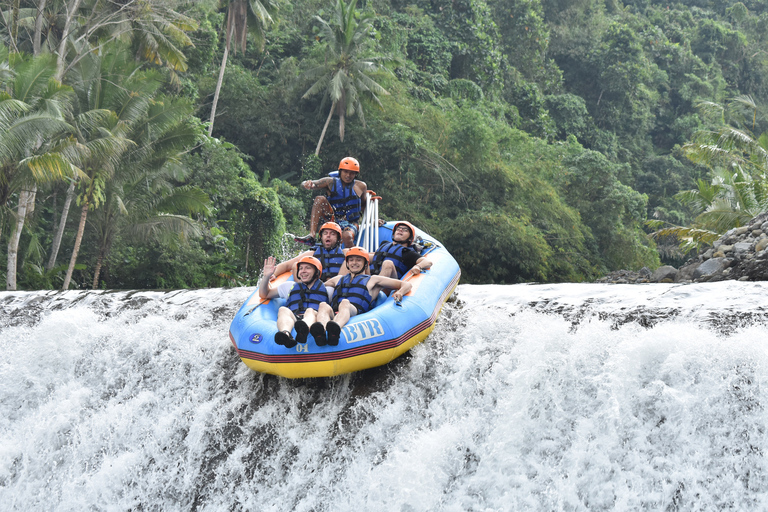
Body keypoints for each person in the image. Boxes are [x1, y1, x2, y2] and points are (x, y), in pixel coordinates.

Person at [310, 247, 412, 346]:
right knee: (323, 305)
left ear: (365, 264)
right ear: (347, 263)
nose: (354, 263)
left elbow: (406, 284)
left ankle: (335, 329)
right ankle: (321, 332)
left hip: (356, 313)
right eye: (351, 260)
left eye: (358, 260)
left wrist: (400, 292)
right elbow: (316, 289)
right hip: (335, 312)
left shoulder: (374, 280)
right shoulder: (338, 279)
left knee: (345, 303)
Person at [258, 255, 329, 349]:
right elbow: (264, 294)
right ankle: (286, 334)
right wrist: (266, 277)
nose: (303, 271)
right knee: (283, 309)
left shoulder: (327, 289)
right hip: (295, 318)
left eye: (308, 268)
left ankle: (304, 330)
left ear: (317, 272)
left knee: (310, 311)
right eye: (301, 268)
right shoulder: (289, 286)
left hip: (314, 320)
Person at [300, 156, 368, 248]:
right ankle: (312, 236)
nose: (348, 175)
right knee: (319, 199)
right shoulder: (329, 182)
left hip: (351, 222)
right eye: (346, 172)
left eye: (352, 173)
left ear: (356, 174)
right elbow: (310, 183)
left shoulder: (361, 186)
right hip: (333, 220)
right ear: (340, 171)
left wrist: (373, 220)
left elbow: (364, 205)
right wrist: (306, 184)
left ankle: (352, 256)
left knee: (347, 236)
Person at [271, 222, 349, 283]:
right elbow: (286, 265)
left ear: (338, 239)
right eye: (325, 233)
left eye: (332, 234)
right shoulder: (312, 253)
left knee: (350, 259)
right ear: (321, 237)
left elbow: (360, 257)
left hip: (337, 288)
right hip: (317, 289)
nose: (328, 236)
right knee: (295, 265)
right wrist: (273, 274)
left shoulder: (345, 253)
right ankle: (303, 295)